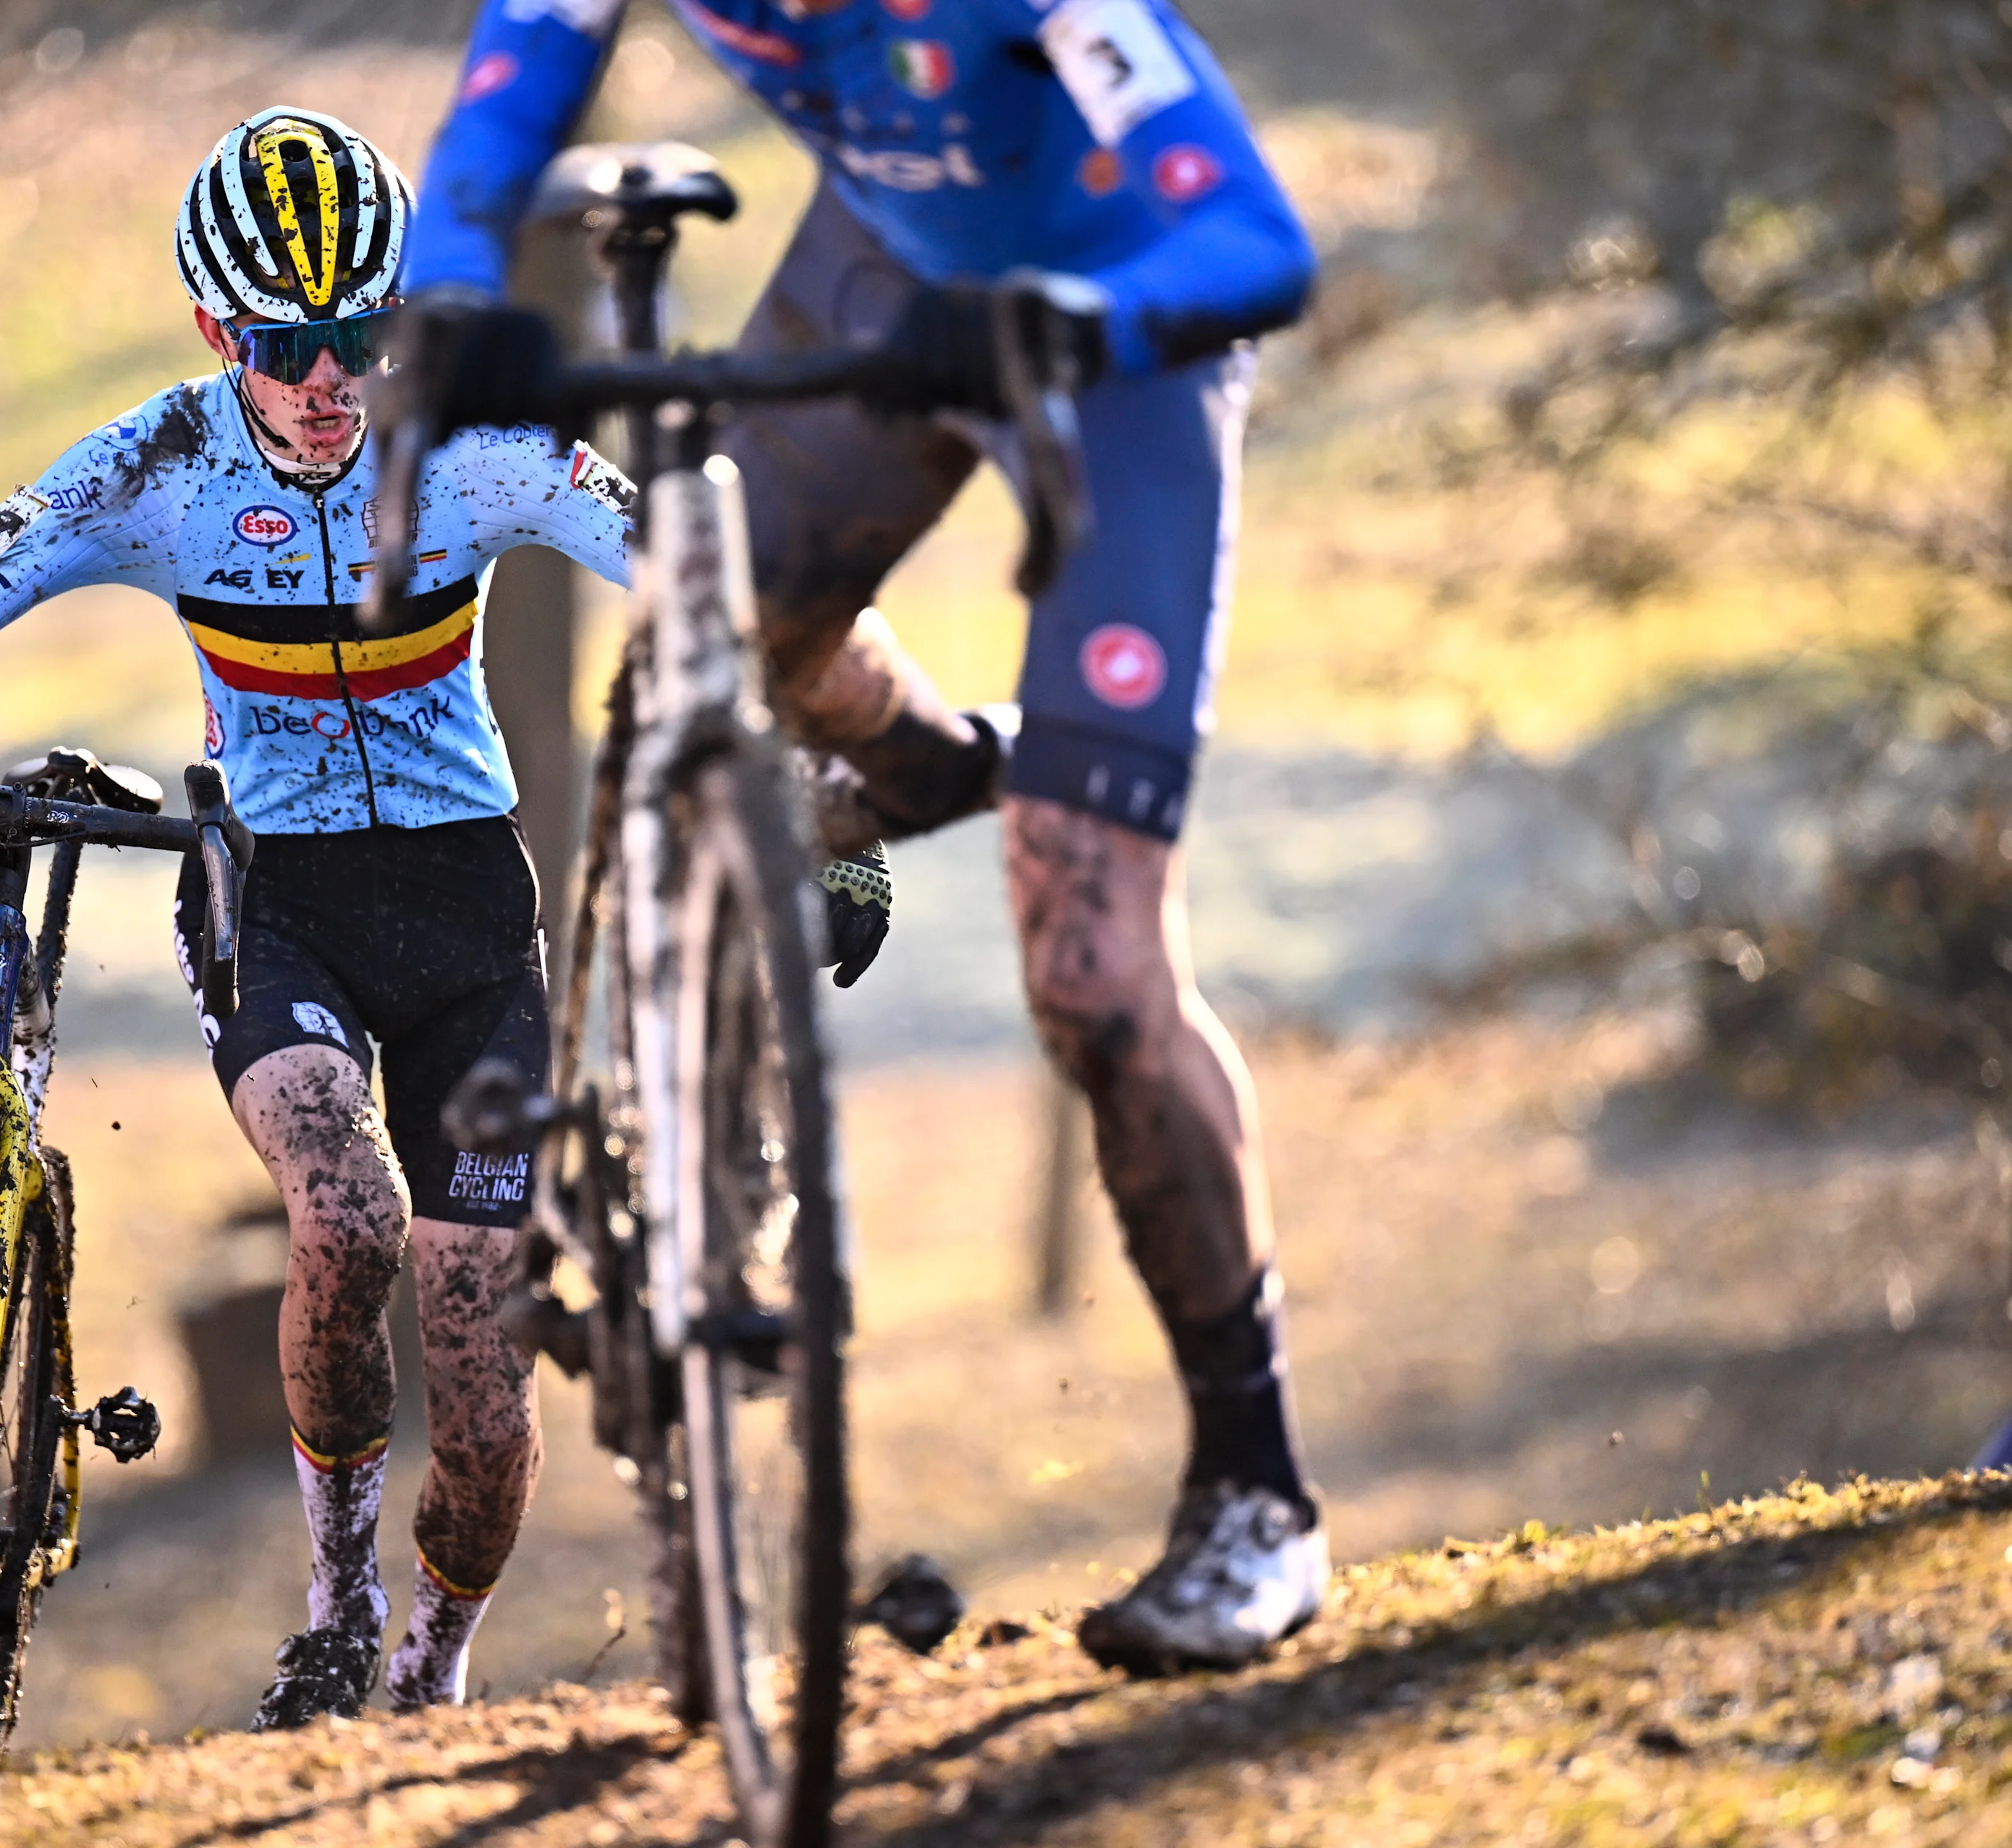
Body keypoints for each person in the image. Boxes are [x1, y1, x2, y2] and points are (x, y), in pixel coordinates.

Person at [407, 0, 1328, 1670]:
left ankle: (1257, 1493)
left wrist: (1071, 316)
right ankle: (904, 765)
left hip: (1115, 334)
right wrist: (459, 292)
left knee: (1095, 970)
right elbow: (505, 101)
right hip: (889, 266)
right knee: (709, 617)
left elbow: (1258, 241)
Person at [0, 107, 645, 1728]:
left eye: (361, 334)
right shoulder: (159, 462)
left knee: (479, 1361)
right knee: (347, 1211)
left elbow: (709, 576)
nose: (330, 378)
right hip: (281, 891)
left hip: (470, 907)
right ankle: (336, 1602)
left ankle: (432, 1669)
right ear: (213, 333)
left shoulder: (481, 438)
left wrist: (824, 791)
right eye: (283, 342)